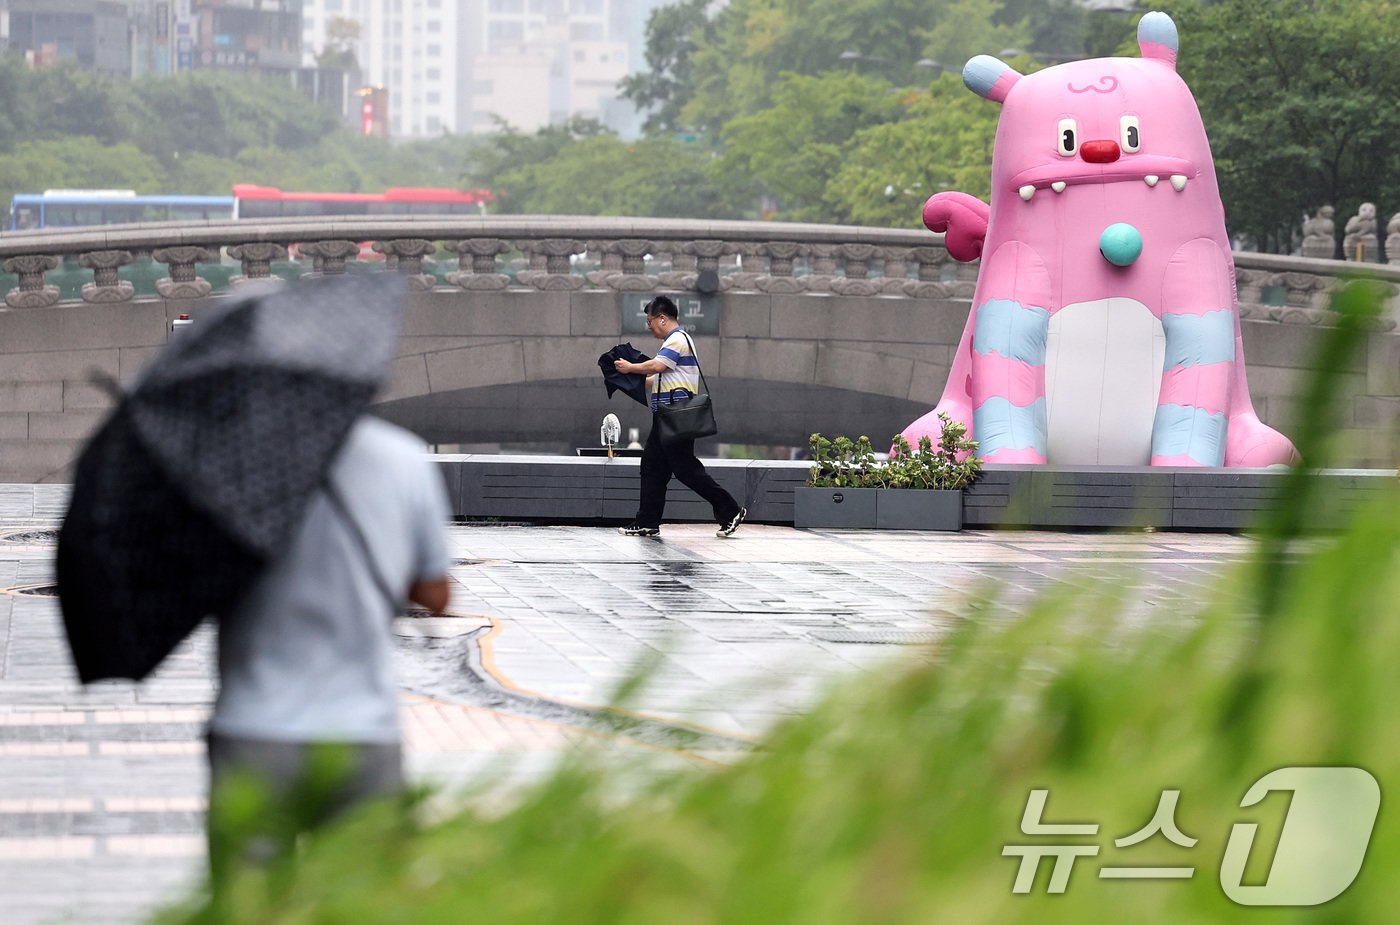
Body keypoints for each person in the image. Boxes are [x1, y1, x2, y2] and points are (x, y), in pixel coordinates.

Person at [205, 415, 451, 877]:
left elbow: (193, 574)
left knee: (248, 902)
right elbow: (436, 593)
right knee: (358, 900)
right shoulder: (401, 457)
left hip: (253, 726)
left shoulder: (227, 459)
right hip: (361, 730)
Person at [613, 295, 745, 538]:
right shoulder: (674, 341)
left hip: (675, 416)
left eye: (650, 321)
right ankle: (647, 521)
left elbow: (657, 367)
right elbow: (656, 379)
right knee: (652, 468)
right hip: (666, 416)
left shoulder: (677, 339)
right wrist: (626, 379)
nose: (649, 326)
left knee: (686, 469)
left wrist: (631, 368)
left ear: (662, 318)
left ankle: (730, 510)